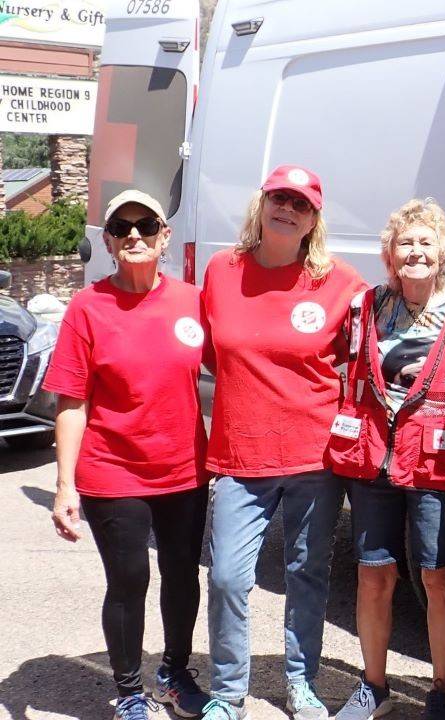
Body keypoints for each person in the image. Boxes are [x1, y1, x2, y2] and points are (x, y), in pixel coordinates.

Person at [200, 165, 368, 720]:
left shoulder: (340, 282)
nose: (287, 209)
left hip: (313, 456)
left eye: (300, 203)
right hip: (239, 454)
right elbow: (204, 356)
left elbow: (377, 350)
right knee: (226, 576)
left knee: (307, 574)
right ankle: (228, 694)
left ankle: (301, 682)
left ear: (313, 218)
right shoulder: (221, 271)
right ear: (262, 203)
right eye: (279, 198)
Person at [45, 190, 211, 720]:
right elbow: (72, 402)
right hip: (112, 471)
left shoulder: (193, 300)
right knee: (130, 579)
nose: (134, 234)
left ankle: (175, 674)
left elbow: (241, 365)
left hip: (185, 468)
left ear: (165, 236)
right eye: (122, 227)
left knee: (184, 575)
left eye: (146, 225)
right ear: (110, 242)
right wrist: (64, 485)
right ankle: (130, 690)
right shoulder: (88, 307)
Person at [329, 199, 445, 720]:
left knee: (439, 576)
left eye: (426, 242)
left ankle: (441, 690)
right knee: (374, 574)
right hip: (374, 459)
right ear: (390, 254)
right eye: (405, 243)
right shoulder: (367, 306)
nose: (415, 252)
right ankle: (374, 687)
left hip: (438, 463)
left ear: (443, 253)